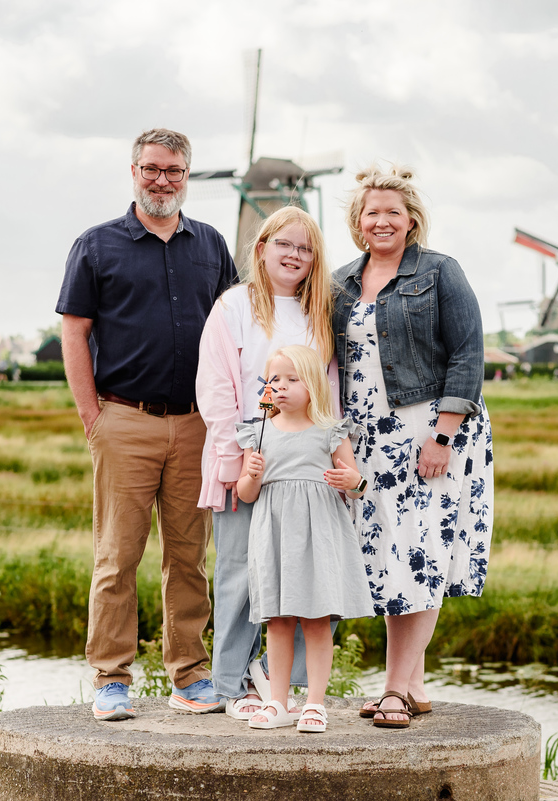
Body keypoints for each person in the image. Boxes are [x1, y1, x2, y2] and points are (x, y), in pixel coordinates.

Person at [56, 128, 238, 721]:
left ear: (189, 175)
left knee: (189, 557)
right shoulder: (97, 245)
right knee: (118, 556)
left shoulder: (209, 244)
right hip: (124, 420)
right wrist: (93, 416)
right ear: (133, 170)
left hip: (196, 427)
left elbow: (235, 326)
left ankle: (189, 674)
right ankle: (111, 678)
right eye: (153, 169)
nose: (163, 180)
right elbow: (75, 331)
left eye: (175, 170)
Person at [332, 164, 494, 728]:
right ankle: (415, 684)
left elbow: (469, 354)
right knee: (391, 558)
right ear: (358, 221)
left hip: (430, 429)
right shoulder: (341, 282)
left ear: (411, 221)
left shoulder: (440, 272)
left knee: (421, 553)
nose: (382, 221)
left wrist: (443, 435)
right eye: (371, 212)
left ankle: (396, 689)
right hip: (369, 435)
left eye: (392, 213)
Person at [195, 206, 336, 719]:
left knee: (313, 573)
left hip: (305, 467)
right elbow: (216, 386)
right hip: (248, 459)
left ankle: (281, 678)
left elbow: (329, 389)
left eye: (305, 248)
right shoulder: (235, 306)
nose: (295, 255)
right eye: (285, 244)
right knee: (239, 572)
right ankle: (231, 683)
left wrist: (334, 456)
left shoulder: (319, 312)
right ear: (262, 249)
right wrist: (232, 457)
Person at [232, 345, 374, 732]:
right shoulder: (259, 431)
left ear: (312, 384)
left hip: (317, 536)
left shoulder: (329, 430)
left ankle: (314, 703)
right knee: (277, 621)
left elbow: (357, 484)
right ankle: (277, 701)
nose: (280, 387)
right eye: (274, 379)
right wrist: (253, 475)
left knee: (315, 620)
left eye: (292, 379)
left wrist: (353, 482)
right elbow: (246, 493)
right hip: (275, 534)